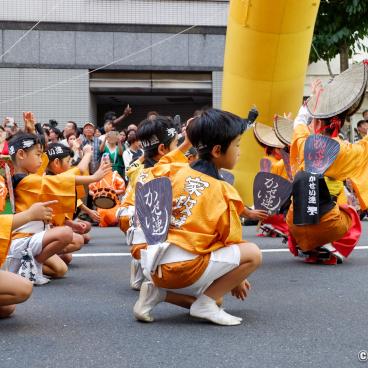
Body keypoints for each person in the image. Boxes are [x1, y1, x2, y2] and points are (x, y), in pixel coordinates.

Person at [133, 109, 266, 326]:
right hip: (185, 269)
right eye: (237, 145)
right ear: (216, 150)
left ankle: (158, 294)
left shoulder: (174, 170)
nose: (239, 151)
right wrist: (238, 277)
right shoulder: (224, 190)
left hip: (155, 266)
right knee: (253, 253)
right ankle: (204, 305)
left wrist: (186, 142)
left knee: (218, 297)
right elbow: (230, 240)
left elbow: (161, 164)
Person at [287, 61, 368, 265]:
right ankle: (329, 244)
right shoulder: (345, 150)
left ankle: (309, 246)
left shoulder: (304, 142)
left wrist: (313, 100)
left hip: (295, 222)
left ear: (315, 122)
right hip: (328, 224)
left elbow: (298, 122)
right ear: (340, 123)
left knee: (318, 194)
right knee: (349, 210)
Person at [7, 131, 110, 284]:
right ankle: (32, 265)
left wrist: (32, 130)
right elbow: (59, 181)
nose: (41, 160)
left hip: (31, 239)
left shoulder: (26, 177)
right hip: (23, 240)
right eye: (37, 154)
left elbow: (54, 173)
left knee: (60, 269)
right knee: (67, 234)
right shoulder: (26, 181)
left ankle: (24, 267)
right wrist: (93, 177)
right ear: (21, 155)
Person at [0, 201, 56, 318]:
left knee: (7, 308)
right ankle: (29, 264)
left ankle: (31, 264)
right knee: (22, 289)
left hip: (20, 239)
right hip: (19, 239)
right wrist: (29, 215)